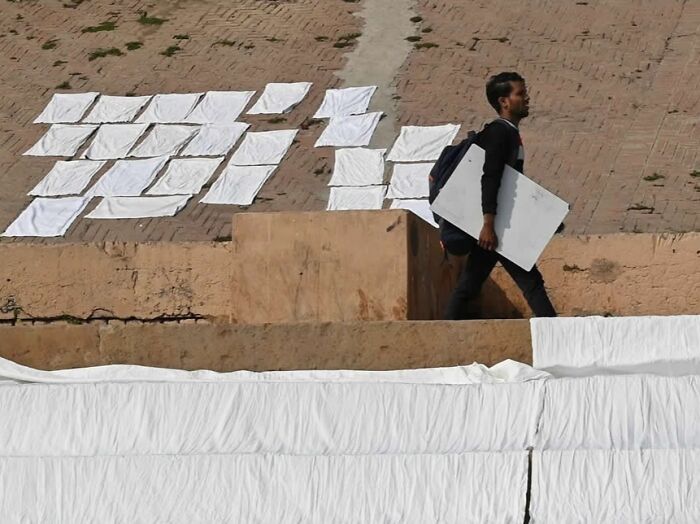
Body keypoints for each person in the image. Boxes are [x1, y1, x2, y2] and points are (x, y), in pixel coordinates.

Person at [443, 72, 557, 319]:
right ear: (504, 101)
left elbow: (510, 184)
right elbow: (490, 176)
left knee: (470, 285)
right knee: (531, 283)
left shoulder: (509, 133)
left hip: (499, 224)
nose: (527, 98)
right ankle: (557, 336)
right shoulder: (499, 132)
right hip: (495, 225)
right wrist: (488, 223)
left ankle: (446, 330)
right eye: (520, 94)